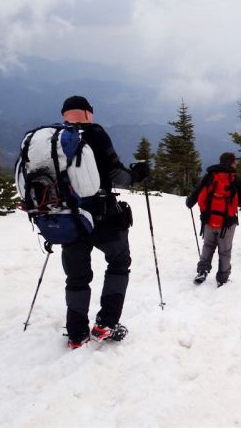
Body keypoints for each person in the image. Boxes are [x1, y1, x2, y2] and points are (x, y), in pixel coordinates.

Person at [59, 96, 150, 349]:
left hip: (69, 219)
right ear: (88, 113)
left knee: (76, 277)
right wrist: (138, 174)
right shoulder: (95, 133)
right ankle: (106, 324)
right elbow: (116, 174)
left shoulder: (55, 138)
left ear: (65, 113)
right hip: (103, 216)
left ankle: (76, 335)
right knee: (119, 263)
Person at [186, 152, 241, 286]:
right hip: (227, 223)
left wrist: (190, 201)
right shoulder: (234, 178)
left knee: (208, 246)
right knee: (224, 251)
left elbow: (198, 190)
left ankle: (202, 270)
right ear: (232, 163)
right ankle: (222, 278)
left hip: (209, 219)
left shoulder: (210, 175)